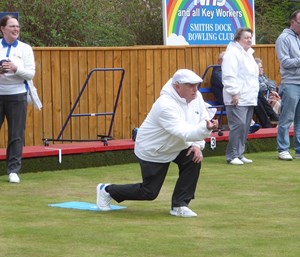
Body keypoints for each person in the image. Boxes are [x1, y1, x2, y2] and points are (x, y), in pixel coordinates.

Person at [96, 69, 218, 217]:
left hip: (178, 144)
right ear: (177, 86)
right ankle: (107, 190)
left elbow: (201, 119)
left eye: (196, 85)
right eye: (190, 85)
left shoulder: (196, 97)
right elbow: (184, 131)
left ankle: (180, 205)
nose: (195, 89)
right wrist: (206, 129)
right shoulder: (165, 105)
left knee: (194, 158)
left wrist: (197, 145)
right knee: (149, 192)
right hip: (154, 149)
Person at [0, 15, 36, 183]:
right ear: (3, 29)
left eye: (17, 27)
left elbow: (30, 73)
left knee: (16, 134)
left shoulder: (25, 48)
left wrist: (15, 68)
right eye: (12, 26)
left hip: (17, 95)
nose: (16, 29)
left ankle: (13, 170)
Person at [222, 28, 259, 165]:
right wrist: (234, 93)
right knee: (238, 125)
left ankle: (239, 153)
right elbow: (229, 75)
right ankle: (231, 155)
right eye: (246, 37)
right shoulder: (232, 54)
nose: (249, 40)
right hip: (237, 97)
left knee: (245, 126)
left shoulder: (248, 54)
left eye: (250, 37)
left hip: (249, 96)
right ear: (238, 39)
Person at [211, 51, 261, 134]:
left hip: (233, 95)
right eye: (224, 60)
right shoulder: (217, 72)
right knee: (239, 101)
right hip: (223, 98)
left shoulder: (230, 70)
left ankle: (255, 123)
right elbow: (226, 84)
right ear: (219, 61)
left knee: (256, 97)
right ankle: (249, 125)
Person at [275, 10, 300, 160]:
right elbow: (284, 62)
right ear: (293, 22)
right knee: (287, 118)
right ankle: (283, 149)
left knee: (299, 120)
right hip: (291, 83)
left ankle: (298, 149)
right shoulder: (283, 39)